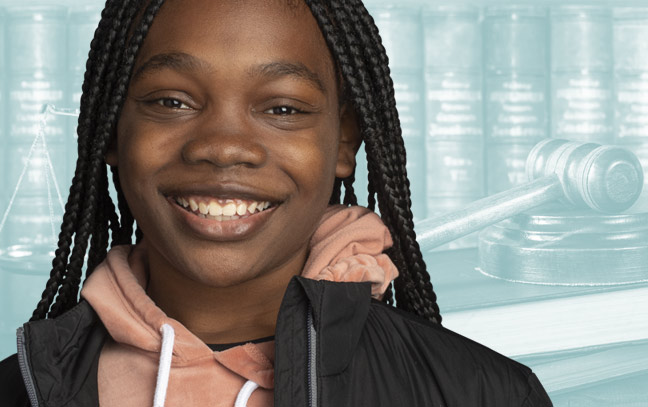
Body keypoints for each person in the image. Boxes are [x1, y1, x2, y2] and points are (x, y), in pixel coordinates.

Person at [0, 0, 552, 406]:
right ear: (112, 134)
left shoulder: (482, 393)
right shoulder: (19, 390)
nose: (223, 147)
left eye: (283, 109)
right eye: (171, 100)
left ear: (343, 143)